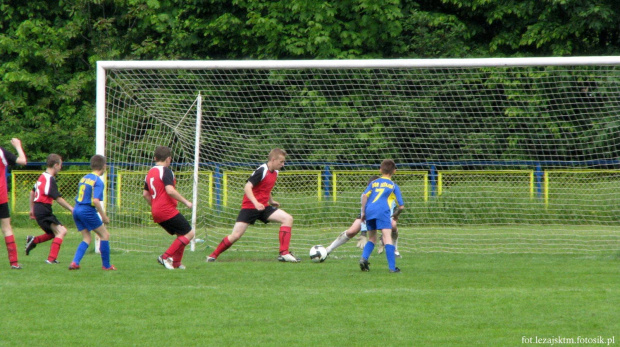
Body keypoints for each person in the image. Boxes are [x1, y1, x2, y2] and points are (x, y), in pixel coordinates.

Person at [207, 148, 300, 262]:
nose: (283, 164)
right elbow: (247, 187)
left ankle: (284, 253)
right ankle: (213, 255)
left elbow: (265, 186)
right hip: (250, 207)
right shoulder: (262, 170)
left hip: (263, 207)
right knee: (236, 235)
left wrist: (271, 201)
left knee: (287, 218)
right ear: (273, 159)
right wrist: (255, 203)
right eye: (281, 162)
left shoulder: (275, 172)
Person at [143, 146, 194, 270]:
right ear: (168, 159)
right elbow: (170, 190)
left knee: (180, 234)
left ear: (155, 158)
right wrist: (186, 202)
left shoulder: (149, 173)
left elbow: (145, 194)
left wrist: (155, 205)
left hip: (156, 211)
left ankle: (176, 262)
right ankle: (165, 257)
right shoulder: (166, 171)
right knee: (189, 233)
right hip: (166, 210)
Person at [325, 175, 401, 257]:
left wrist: (384, 235)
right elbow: (364, 213)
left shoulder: (388, 196)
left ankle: (394, 250)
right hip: (369, 215)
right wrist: (363, 234)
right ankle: (329, 249)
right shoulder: (365, 195)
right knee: (352, 231)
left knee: (392, 225)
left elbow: (389, 214)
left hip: (385, 215)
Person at [68, 154, 115, 270]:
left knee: (87, 238)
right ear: (104, 166)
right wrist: (103, 217)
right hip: (86, 210)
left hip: (76, 209)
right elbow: (95, 200)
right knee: (104, 235)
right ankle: (106, 265)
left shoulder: (84, 178)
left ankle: (75, 262)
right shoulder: (98, 181)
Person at [25, 154, 74, 264]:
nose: (61, 168)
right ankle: (51, 259)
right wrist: (71, 209)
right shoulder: (50, 179)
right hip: (43, 209)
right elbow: (58, 198)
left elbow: (32, 192)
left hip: (39, 208)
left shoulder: (42, 177)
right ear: (56, 165)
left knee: (54, 233)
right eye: (60, 165)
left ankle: (33, 240)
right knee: (62, 231)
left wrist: (31, 209)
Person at [359, 159, 404, 273]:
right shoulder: (393, 186)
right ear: (394, 171)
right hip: (382, 211)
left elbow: (364, 196)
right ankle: (392, 268)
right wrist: (396, 215)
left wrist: (363, 212)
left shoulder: (374, 183)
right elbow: (401, 206)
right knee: (387, 237)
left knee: (372, 238)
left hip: (369, 210)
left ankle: (364, 258)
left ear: (380, 170)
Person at [0, 138, 27, 269]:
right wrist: (18, 146)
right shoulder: (1, 152)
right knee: (6, 228)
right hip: (1, 196)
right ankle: (14, 262)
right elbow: (23, 161)